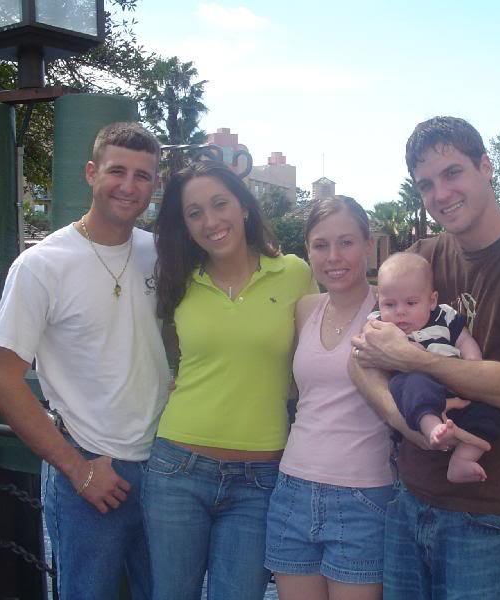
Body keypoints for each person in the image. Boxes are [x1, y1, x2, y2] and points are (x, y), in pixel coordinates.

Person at [350, 116, 500, 599]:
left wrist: (418, 362)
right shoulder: (421, 257)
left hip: (489, 513)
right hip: (408, 498)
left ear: (486, 167)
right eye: (426, 184)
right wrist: (413, 424)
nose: (441, 194)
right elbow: (361, 358)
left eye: (453, 173)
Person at [0, 122, 169, 599]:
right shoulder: (41, 265)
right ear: (91, 172)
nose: (129, 186)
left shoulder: (160, 253)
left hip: (169, 467)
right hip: (90, 467)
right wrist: (77, 469)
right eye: (117, 171)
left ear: (154, 185)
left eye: (143, 176)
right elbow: (2, 381)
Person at [142, 161, 317, 600]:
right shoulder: (177, 279)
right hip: (176, 467)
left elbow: (322, 352)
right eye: (194, 212)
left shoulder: (294, 273)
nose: (210, 221)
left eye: (219, 204)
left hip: (261, 476)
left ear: (243, 206)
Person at [265, 196, 409, 600]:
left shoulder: (393, 312)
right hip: (292, 489)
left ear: (368, 245)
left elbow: (444, 358)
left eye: (346, 242)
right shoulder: (305, 310)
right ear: (308, 251)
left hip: (364, 495)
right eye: (320, 245)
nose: (334, 257)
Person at [371, 252, 500, 483]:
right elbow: (366, 350)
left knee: (490, 413)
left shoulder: (445, 317)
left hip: (457, 384)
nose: (400, 311)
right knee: (413, 383)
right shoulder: (379, 324)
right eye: (389, 304)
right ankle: (432, 429)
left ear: (431, 300)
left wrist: (473, 366)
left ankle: (462, 460)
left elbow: (464, 341)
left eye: (411, 303)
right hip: (415, 386)